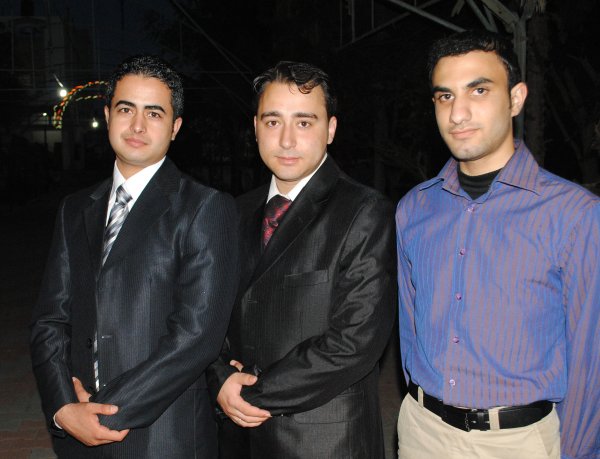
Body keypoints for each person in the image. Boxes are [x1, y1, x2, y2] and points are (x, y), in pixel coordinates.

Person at [396, 30, 600, 459]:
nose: (458, 113)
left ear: (516, 99)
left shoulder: (574, 214)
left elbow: (591, 359)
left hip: (518, 443)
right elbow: (410, 328)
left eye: (479, 90)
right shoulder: (414, 208)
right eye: (445, 96)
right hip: (421, 432)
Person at [30, 55, 239, 458]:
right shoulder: (76, 208)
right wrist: (62, 408)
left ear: (175, 127)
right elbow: (50, 320)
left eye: (154, 113)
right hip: (77, 435)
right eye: (126, 109)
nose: (138, 125)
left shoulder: (205, 208)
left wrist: (103, 413)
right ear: (108, 115)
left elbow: (197, 337)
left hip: (164, 436)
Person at [207, 61, 396, 459]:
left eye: (304, 122)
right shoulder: (233, 212)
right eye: (273, 121)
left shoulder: (364, 212)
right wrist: (219, 377)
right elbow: (208, 316)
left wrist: (249, 392)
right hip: (239, 440)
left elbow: (355, 342)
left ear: (330, 129)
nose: (287, 140)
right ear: (256, 127)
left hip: (323, 442)